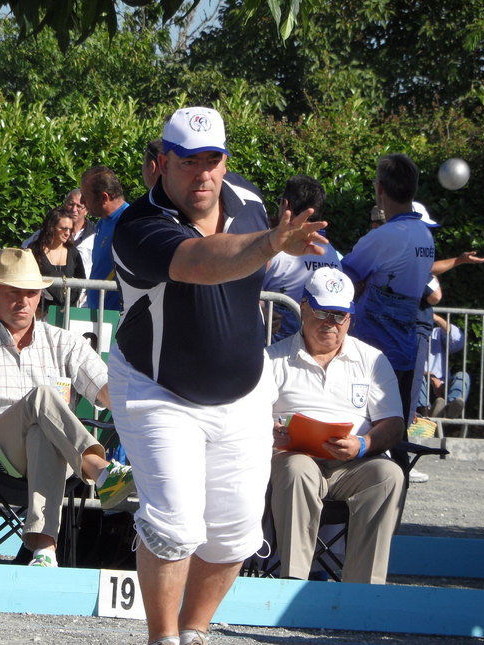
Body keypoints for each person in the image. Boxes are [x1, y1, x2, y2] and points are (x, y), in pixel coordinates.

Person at [109, 106, 328, 645]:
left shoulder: (250, 202)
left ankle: (194, 634)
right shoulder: (137, 226)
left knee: (235, 536)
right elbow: (203, 264)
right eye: (188, 161)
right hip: (158, 388)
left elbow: (270, 265)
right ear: (160, 164)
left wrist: (288, 255)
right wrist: (272, 244)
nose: (203, 173)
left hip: (244, 390)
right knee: (175, 525)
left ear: (226, 161)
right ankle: (162, 640)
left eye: (214, 160)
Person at [0, 247, 135, 567]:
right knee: (44, 397)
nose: (23, 301)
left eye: (31, 293)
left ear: (40, 297)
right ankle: (100, 471)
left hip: (52, 451)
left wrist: (148, 391)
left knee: (41, 433)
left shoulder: (65, 342)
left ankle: (43, 550)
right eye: (14, 293)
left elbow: (107, 393)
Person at [268, 267, 405, 585]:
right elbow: (247, 417)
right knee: (297, 468)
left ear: (351, 318)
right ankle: (293, 580)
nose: (331, 323)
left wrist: (364, 445)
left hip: (352, 464)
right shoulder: (272, 359)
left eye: (340, 315)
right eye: (321, 312)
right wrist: (270, 432)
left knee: (389, 474)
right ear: (303, 308)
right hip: (292, 460)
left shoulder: (372, 360)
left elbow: (393, 424)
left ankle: (363, 589)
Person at [341, 154, 435, 425]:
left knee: (369, 430)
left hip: (372, 351)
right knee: (396, 430)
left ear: (380, 188)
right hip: (403, 348)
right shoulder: (423, 234)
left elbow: (343, 282)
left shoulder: (386, 235)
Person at [262, 175, 341, 342]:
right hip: (315, 345)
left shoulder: (271, 248)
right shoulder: (332, 253)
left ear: (285, 205)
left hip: (277, 350)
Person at [80, 166, 128, 310]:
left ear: (104, 197)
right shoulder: (102, 222)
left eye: (85, 196)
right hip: (98, 315)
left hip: (119, 318)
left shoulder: (129, 223)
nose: (82, 201)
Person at [27, 206, 86, 310]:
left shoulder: (73, 252)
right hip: (39, 313)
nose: (67, 233)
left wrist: (72, 304)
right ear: (51, 227)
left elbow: (81, 281)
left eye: (70, 229)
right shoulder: (34, 250)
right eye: (63, 228)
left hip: (67, 313)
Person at [419, 313, 470, 419]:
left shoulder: (437, 333)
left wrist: (436, 318)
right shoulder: (405, 333)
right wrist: (429, 375)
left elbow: (458, 340)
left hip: (442, 386)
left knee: (463, 376)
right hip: (419, 385)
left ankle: (450, 409)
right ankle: (426, 416)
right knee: (415, 378)